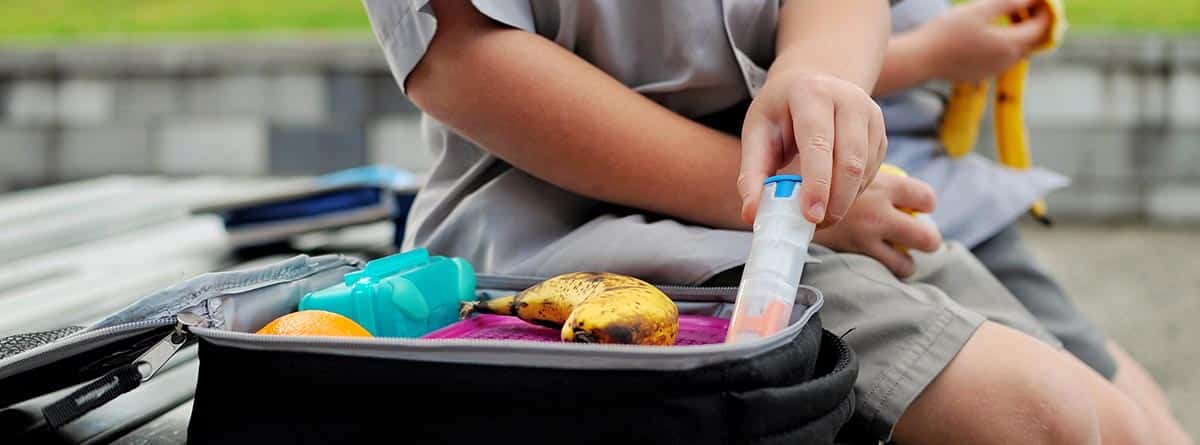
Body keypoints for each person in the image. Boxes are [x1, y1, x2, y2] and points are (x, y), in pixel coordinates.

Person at [361, 0, 1179, 443]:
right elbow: (461, 59)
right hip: (569, 233)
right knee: (1035, 413)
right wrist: (766, 188)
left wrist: (817, 80)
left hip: (833, 208)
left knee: (1131, 421)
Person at [874, 0, 1193, 442]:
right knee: (1113, 421)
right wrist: (933, 53)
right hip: (893, 218)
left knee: (1141, 407)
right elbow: (790, 76)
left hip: (953, 202)